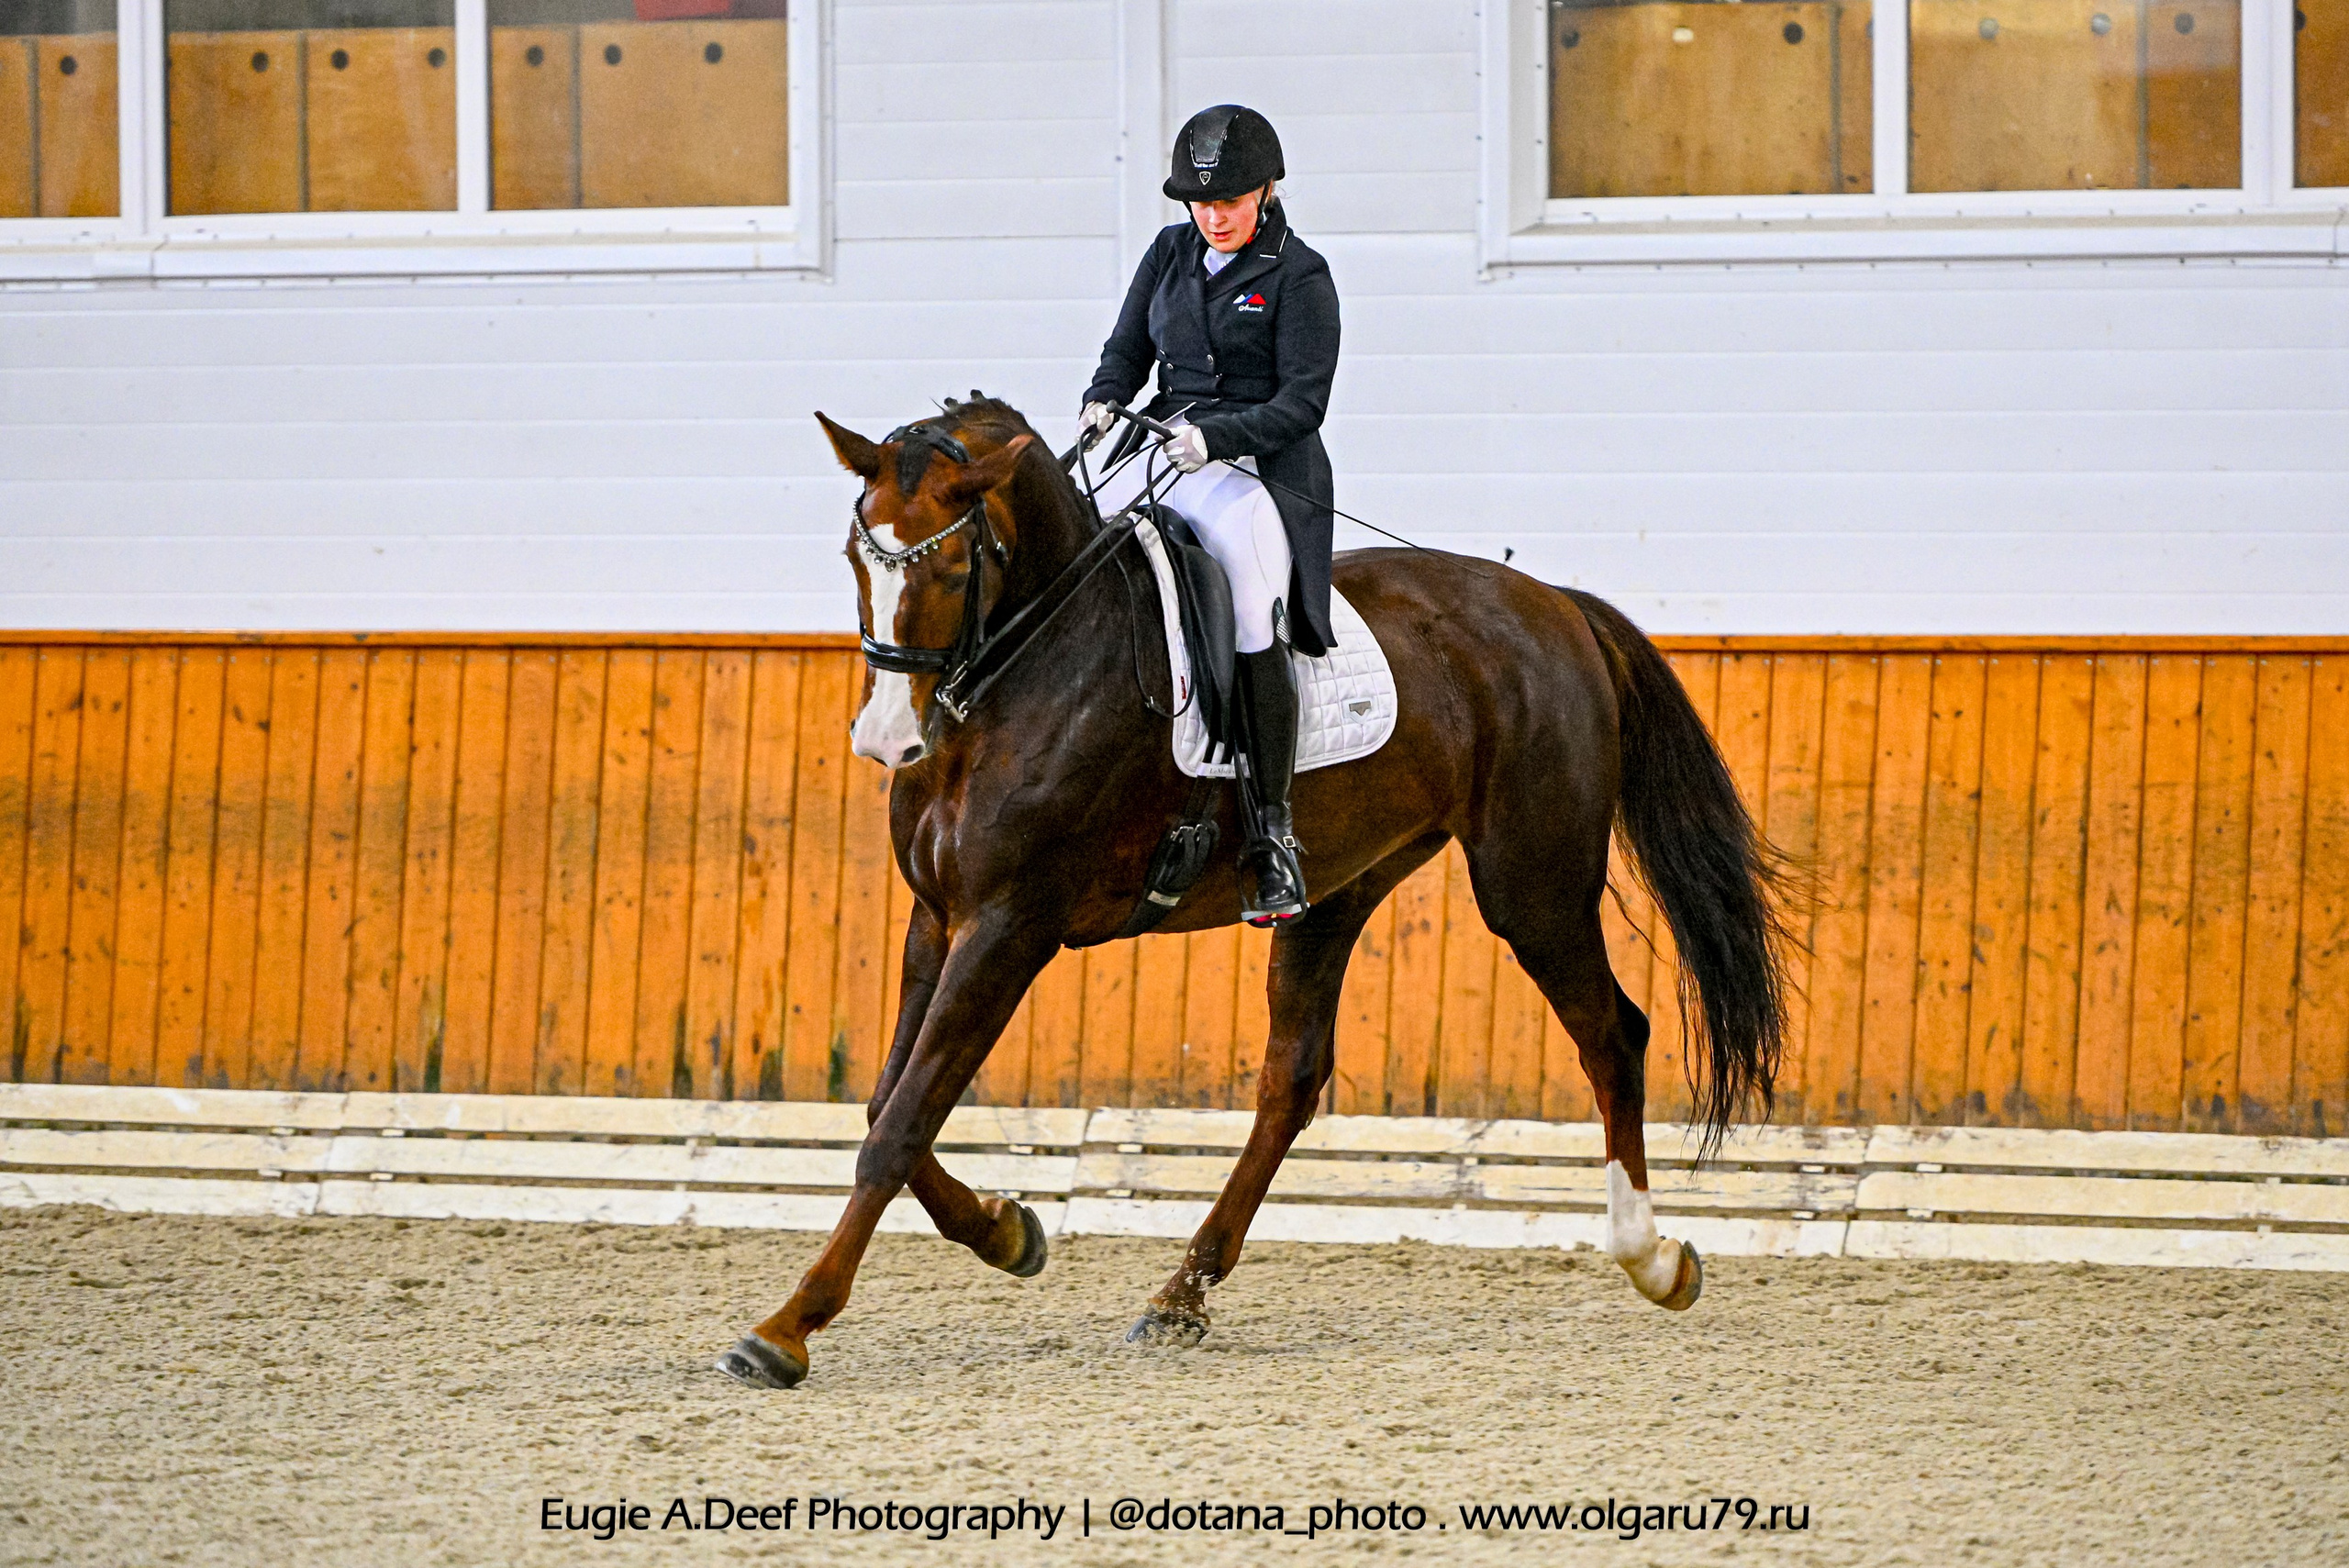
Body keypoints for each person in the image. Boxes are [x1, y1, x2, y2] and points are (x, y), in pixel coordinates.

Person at [1080, 104, 1341, 928]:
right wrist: (1102, 400)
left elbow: (1303, 404)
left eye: (1228, 200)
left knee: (1252, 607)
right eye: (1199, 202)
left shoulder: (1300, 277)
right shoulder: (1168, 253)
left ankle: (1272, 837)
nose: (1212, 216)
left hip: (1255, 470)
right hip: (1162, 448)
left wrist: (1217, 434)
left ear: (1265, 191)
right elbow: (1126, 350)